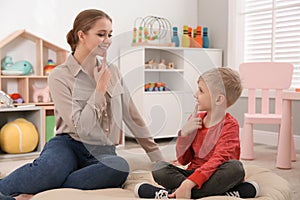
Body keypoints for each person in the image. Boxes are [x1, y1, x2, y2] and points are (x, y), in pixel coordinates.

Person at [0, 9, 164, 200]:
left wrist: (158, 159)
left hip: (104, 150)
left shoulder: (113, 72)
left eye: (110, 35)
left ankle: (43, 191)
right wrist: (100, 89)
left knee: (119, 168)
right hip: (68, 144)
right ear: (82, 35)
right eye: (101, 34)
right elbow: (81, 126)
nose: (108, 40)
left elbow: (132, 116)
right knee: (50, 170)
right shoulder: (59, 76)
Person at [135, 67, 260, 199]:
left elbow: (218, 160)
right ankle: (222, 193)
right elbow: (184, 160)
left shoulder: (230, 126)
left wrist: (188, 184)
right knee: (159, 168)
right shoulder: (196, 120)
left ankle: (168, 194)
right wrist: (184, 134)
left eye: (201, 91)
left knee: (236, 168)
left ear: (218, 99)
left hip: (217, 174)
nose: (195, 94)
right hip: (193, 174)